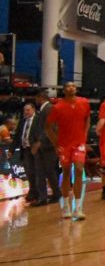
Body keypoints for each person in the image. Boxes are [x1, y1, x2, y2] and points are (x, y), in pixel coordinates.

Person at [44, 82, 91, 220]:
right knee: (65, 172)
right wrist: (55, 144)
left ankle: (78, 208)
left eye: (73, 86)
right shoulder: (57, 107)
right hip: (64, 144)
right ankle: (66, 206)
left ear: (76, 89)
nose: (71, 88)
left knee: (78, 170)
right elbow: (48, 127)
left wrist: (85, 134)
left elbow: (87, 118)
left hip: (79, 144)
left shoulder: (84, 103)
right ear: (64, 90)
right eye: (68, 86)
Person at [28, 89, 58, 206]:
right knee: (42, 172)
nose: (36, 100)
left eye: (36, 98)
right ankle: (44, 196)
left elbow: (50, 128)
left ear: (41, 97)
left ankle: (53, 194)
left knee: (48, 171)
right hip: (43, 146)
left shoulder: (49, 108)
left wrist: (39, 142)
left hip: (48, 146)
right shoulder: (42, 110)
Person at [16, 102, 38, 203]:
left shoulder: (38, 120)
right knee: (29, 173)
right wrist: (11, 150)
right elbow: (17, 136)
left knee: (36, 173)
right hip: (25, 150)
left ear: (33, 110)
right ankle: (32, 192)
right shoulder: (22, 121)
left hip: (35, 150)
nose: (26, 112)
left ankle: (37, 193)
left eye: (28, 110)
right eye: (25, 110)